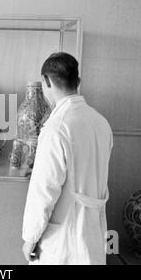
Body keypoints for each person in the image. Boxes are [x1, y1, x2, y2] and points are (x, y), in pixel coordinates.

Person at [22, 52, 113, 265]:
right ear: (78, 82)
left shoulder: (57, 127)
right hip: (93, 233)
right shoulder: (101, 123)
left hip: (63, 240)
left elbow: (44, 190)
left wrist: (30, 238)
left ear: (45, 81)